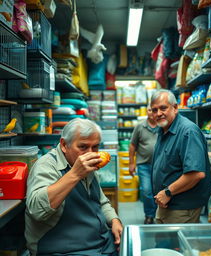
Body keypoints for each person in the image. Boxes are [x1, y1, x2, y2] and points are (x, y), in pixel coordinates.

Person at [25, 118, 123, 256]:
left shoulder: (88, 166)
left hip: (100, 242)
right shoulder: (46, 166)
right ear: (64, 145)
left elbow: (101, 201)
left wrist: (114, 220)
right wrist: (75, 174)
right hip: (65, 250)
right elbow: (36, 210)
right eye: (83, 147)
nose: (91, 153)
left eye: (95, 147)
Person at [150, 89, 211, 224]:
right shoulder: (164, 130)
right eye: (154, 110)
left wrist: (167, 192)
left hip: (181, 208)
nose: (158, 113)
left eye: (163, 108)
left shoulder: (188, 132)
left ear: (175, 108)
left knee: (176, 245)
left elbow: (196, 174)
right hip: (167, 204)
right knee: (165, 243)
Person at [129, 105, 158, 224]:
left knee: (158, 191)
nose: (152, 113)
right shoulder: (140, 127)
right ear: (147, 112)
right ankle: (150, 215)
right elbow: (132, 146)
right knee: (146, 191)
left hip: (159, 165)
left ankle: (158, 214)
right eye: (150, 110)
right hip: (143, 165)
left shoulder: (162, 126)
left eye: (154, 110)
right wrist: (131, 163)